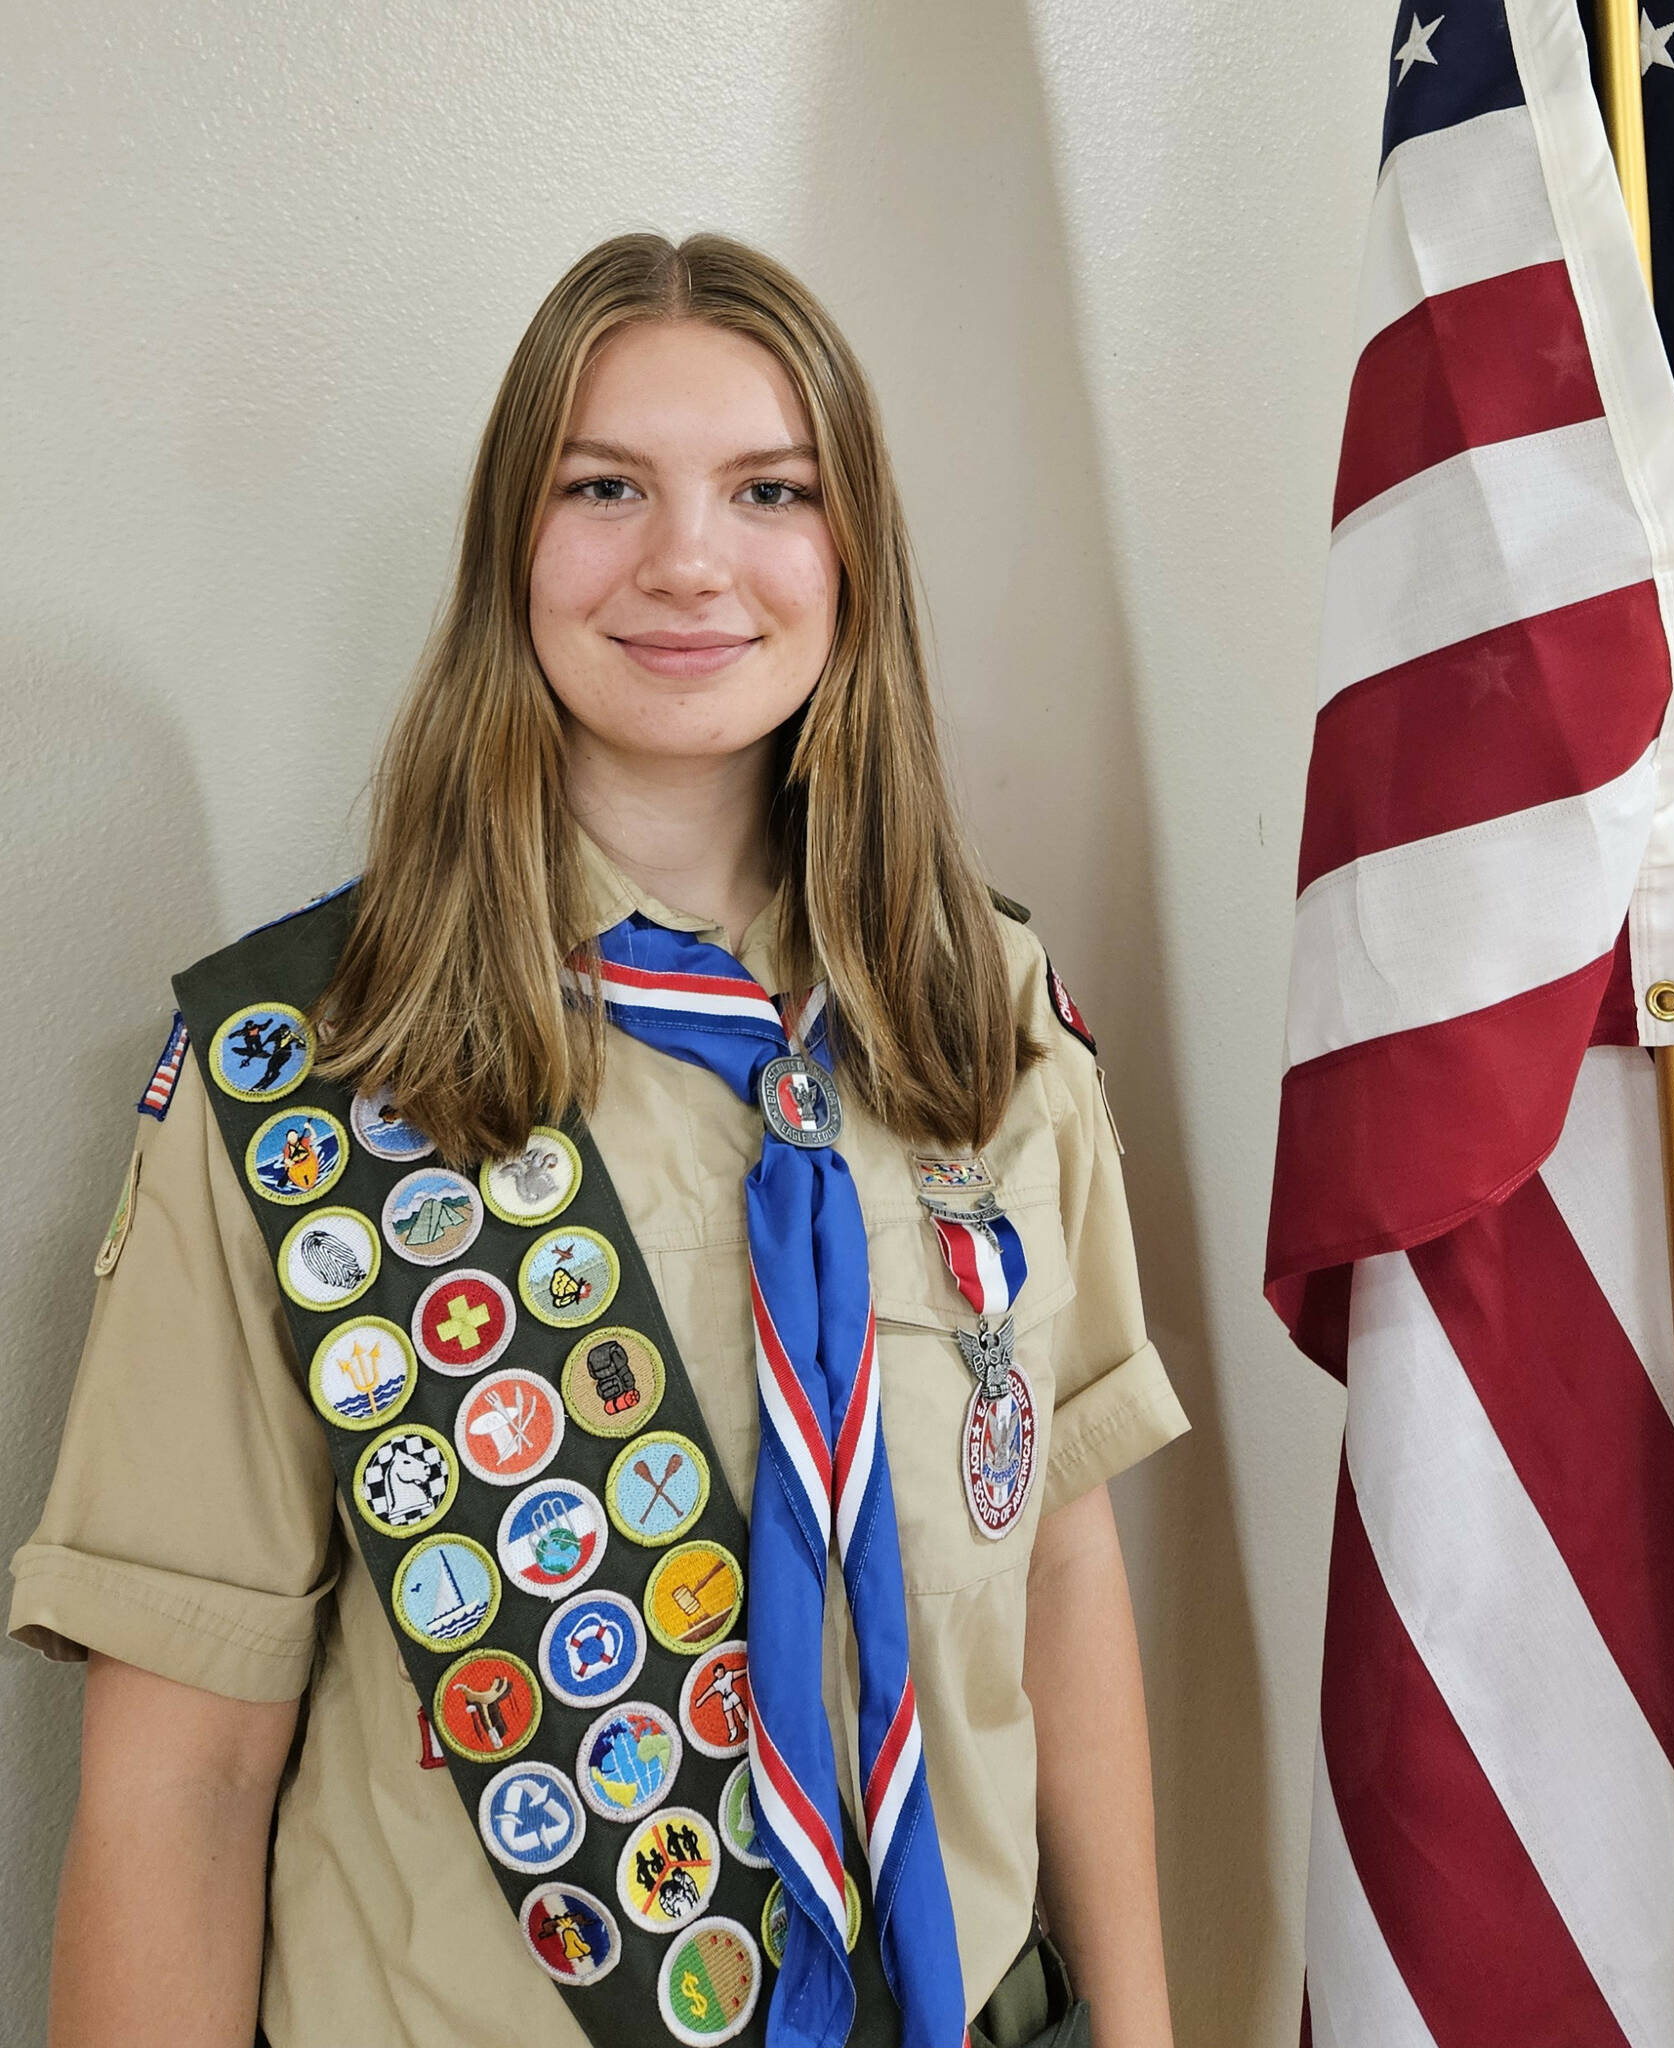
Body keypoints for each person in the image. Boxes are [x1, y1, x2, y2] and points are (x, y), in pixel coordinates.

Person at [13, 232, 1187, 2048]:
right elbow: (184, 1782)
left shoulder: (985, 1011)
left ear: (849, 550)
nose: (689, 560)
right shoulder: (314, 1070)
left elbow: (1063, 1571)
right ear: (514, 550)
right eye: (606, 487)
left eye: (769, 489)